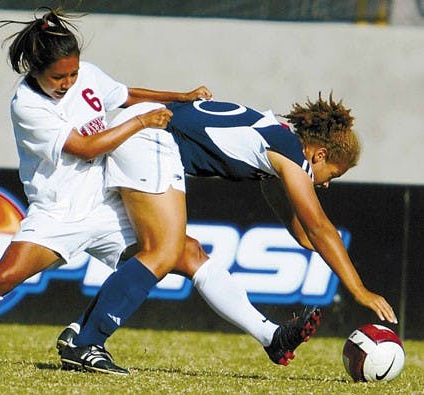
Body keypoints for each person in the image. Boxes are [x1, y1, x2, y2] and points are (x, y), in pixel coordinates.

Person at [0, 6, 212, 365]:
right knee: (1, 279)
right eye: (58, 77)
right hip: (58, 213)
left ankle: (269, 334)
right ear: (35, 70)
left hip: (106, 204)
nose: (68, 82)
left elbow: (123, 94)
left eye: (73, 73)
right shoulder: (27, 106)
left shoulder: (86, 76)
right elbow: (85, 149)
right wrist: (142, 123)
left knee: (182, 253)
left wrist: (181, 96)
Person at [58, 94, 398, 374]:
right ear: (319, 154)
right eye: (331, 175)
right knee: (163, 250)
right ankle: (87, 342)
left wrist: (327, 246)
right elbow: (320, 228)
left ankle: (272, 337)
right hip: (152, 134)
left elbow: (306, 236)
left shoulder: (277, 144)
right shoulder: (290, 155)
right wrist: (359, 290)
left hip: (145, 128)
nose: (324, 184)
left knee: (187, 253)